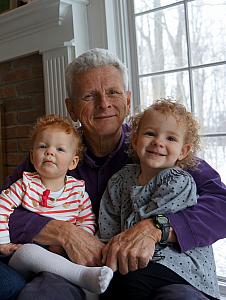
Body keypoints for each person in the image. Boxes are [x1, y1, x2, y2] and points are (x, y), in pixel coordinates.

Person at [0, 48, 225, 300]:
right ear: (71, 108)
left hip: (163, 270)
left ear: (127, 101)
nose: (104, 103)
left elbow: (221, 203)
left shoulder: (157, 150)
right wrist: (64, 232)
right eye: (89, 95)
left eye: (113, 93)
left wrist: (157, 227)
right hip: (69, 268)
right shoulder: (54, 152)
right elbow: (6, 206)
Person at [98, 99, 219, 299]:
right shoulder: (120, 180)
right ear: (135, 140)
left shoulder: (178, 180)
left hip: (181, 265)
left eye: (171, 138)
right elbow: (108, 223)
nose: (158, 142)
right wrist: (108, 251)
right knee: (107, 281)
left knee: (129, 280)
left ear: (183, 151)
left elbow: (146, 228)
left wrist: (120, 249)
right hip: (139, 260)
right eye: (150, 133)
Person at [0, 114, 113, 294]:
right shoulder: (25, 184)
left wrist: (75, 242)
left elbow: (87, 220)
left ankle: (88, 284)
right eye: (43, 146)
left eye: (60, 149)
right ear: (32, 155)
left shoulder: (77, 191)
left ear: (73, 162)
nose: (50, 152)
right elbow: (2, 206)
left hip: (63, 253)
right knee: (28, 252)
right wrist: (3, 242)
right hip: (27, 256)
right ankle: (81, 276)